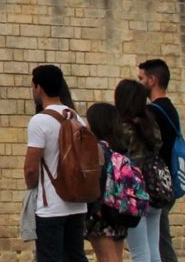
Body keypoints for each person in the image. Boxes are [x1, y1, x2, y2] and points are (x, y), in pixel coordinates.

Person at [24, 64, 89, 262]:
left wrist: (31, 187)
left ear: (39, 88)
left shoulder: (40, 121)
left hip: (51, 205)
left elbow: (31, 168)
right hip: (77, 203)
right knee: (76, 256)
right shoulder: (77, 117)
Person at [115, 79, 164, 262]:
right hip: (155, 188)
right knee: (152, 247)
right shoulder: (151, 125)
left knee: (139, 251)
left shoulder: (124, 129)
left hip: (134, 193)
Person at [139, 58, 181, 262]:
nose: (139, 83)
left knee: (160, 244)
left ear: (152, 80)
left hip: (156, 185)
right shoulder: (170, 109)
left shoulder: (153, 111)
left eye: (141, 78)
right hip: (167, 182)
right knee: (158, 241)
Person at [84, 103, 127, 262]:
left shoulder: (97, 149)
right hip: (119, 210)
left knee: (107, 258)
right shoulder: (118, 149)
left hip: (101, 213)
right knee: (116, 257)